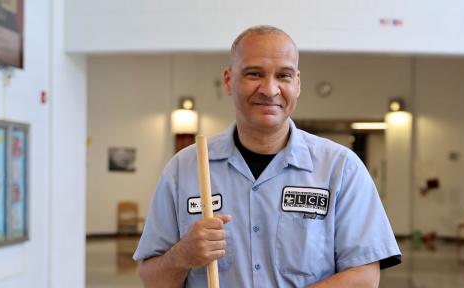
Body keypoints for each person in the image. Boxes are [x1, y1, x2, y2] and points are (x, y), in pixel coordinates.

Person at [134, 25, 401, 287]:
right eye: (254, 74)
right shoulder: (184, 169)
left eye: (283, 76)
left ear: (297, 83)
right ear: (228, 80)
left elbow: (365, 277)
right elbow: (152, 279)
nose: (269, 89)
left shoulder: (340, 168)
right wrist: (182, 256)